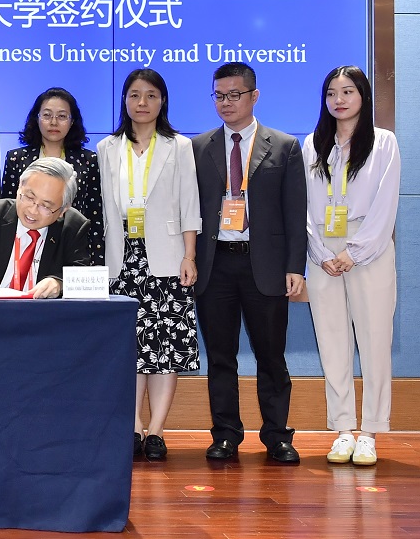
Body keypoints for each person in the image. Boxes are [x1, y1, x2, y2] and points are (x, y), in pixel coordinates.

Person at [192, 62, 308, 464]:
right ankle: (225, 435)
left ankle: (277, 436)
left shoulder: (284, 146)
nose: (226, 102)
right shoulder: (199, 147)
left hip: (266, 266)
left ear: (254, 96)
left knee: (271, 357)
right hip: (215, 266)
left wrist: (295, 267)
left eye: (234, 95)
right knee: (220, 357)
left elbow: (295, 212)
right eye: (219, 95)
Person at [97, 69, 201, 463]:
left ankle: (156, 430)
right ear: (124, 100)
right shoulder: (107, 147)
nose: (142, 103)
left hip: (167, 257)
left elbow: (190, 204)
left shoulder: (179, 146)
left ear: (163, 101)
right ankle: (134, 426)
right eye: (135, 95)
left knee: (165, 347)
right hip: (120, 257)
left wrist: (189, 256)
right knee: (130, 347)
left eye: (151, 95)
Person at [303, 66, 401, 468]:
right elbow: (304, 206)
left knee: (375, 342)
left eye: (347, 91)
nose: (338, 100)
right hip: (323, 252)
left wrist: (355, 252)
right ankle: (343, 429)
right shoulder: (313, 144)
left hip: (368, 249)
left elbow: (385, 205)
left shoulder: (383, 142)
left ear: (363, 96)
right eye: (331, 93)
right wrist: (320, 251)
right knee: (332, 343)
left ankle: (370, 432)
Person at [0, 157, 93, 298]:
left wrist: (59, 283)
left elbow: (83, 275)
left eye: (46, 206)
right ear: (19, 187)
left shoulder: (73, 226)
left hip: (43, 314)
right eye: (29, 197)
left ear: (63, 210)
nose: (32, 210)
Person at [3, 87, 105, 265]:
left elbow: (94, 214)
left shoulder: (88, 160)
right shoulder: (16, 158)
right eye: (47, 115)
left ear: (72, 121)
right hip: (26, 242)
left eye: (62, 116)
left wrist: (96, 261)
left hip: (71, 245)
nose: (54, 122)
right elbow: (8, 209)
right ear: (36, 118)